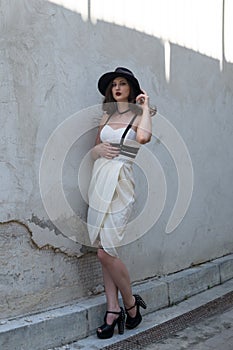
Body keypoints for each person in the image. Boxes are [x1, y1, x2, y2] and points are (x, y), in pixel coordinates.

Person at [87, 67, 152, 339]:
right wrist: (97, 150)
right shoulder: (106, 115)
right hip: (100, 179)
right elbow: (93, 150)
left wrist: (145, 107)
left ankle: (130, 304)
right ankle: (112, 311)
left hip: (121, 182)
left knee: (107, 252)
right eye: (113, 84)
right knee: (102, 249)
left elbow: (143, 138)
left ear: (132, 89)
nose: (117, 87)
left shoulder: (139, 116)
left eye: (122, 83)